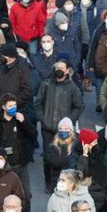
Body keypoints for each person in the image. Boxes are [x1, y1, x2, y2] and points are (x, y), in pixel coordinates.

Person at [35, 59, 84, 190]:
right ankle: (48, 182)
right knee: (48, 157)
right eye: (57, 67)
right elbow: (38, 103)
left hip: (64, 130)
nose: (59, 70)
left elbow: (79, 106)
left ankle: (63, 181)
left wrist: (69, 121)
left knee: (65, 156)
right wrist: (42, 118)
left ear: (67, 70)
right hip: (48, 128)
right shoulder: (46, 84)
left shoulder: (72, 87)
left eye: (62, 67)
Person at [0, 92, 36, 212]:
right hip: (5, 166)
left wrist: (25, 122)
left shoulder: (20, 119)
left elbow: (33, 135)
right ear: (4, 107)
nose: (13, 108)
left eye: (15, 105)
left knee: (26, 195)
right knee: (4, 195)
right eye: (10, 106)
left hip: (21, 164)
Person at [0, 43, 32, 112]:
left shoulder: (23, 68)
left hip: (16, 109)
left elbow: (27, 90)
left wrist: (14, 104)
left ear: (10, 57)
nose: (3, 58)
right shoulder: (0, 67)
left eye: (5, 56)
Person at [45, 118, 76, 193]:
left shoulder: (76, 144)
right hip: (56, 180)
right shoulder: (53, 145)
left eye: (66, 128)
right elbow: (53, 162)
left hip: (72, 181)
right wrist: (69, 159)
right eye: (61, 129)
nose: (63, 131)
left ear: (71, 130)